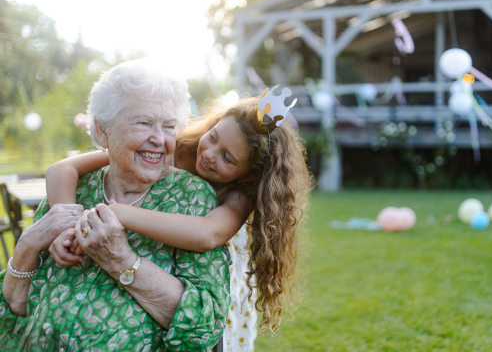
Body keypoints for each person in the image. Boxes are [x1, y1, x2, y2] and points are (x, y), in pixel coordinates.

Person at [46, 86, 313, 350]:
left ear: (250, 174)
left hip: (211, 271)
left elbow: (208, 233)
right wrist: (66, 226)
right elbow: (62, 168)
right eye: (214, 137)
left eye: (227, 158)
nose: (209, 154)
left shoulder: (240, 194)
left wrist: (121, 213)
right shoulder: (173, 147)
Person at [0, 59, 231, 351]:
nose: (158, 139)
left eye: (169, 126)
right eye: (143, 123)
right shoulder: (74, 188)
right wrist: (24, 251)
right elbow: (12, 309)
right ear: (102, 130)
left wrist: (122, 260)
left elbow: (205, 326)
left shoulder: (191, 197)